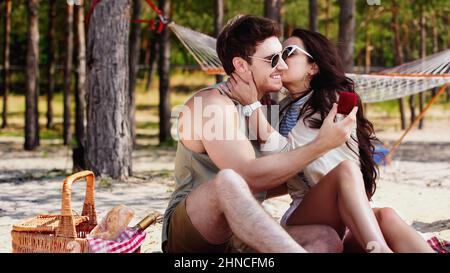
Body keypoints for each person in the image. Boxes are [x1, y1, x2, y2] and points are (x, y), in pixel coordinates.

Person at [161, 15, 359, 253]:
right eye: (273, 59)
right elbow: (249, 177)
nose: (283, 66)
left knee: (324, 239)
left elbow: (275, 177)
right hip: (195, 233)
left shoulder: (263, 109)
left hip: (241, 232)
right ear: (241, 65)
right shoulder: (212, 105)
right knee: (229, 182)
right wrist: (319, 146)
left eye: (284, 57)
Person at [226, 28, 434, 253]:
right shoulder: (282, 109)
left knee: (387, 215)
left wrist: (253, 108)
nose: (281, 62)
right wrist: (252, 106)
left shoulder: (331, 103)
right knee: (346, 171)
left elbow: (288, 152)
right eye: (276, 55)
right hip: (307, 215)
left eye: (288, 53)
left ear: (313, 67)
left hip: (346, 215)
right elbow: (280, 160)